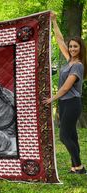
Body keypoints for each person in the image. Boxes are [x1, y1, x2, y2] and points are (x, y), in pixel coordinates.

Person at [43, 12, 87, 174]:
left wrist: (51, 99)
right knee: (72, 136)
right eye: (71, 46)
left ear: (81, 48)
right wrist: (54, 21)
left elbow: (66, 87)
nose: (72, 48)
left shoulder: (78, 66)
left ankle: (79, 167)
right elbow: (60, 40)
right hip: (64, 103)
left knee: (64, 136)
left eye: (76, 46)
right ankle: (76, 166)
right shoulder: (70, 60)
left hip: (72, 103)